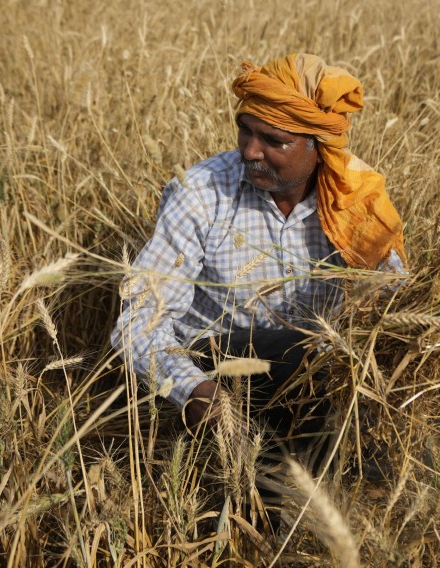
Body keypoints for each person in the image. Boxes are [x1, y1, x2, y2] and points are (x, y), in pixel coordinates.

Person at [113, 53, 407, 444]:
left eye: (274, 140)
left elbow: (392, 301)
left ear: (319, 148)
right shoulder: (200, 193)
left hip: (316, 378)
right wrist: (196, 393)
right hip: (213, 373)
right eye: (245, 131)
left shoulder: (354, 201)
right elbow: (138, 324)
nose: (250, 151)